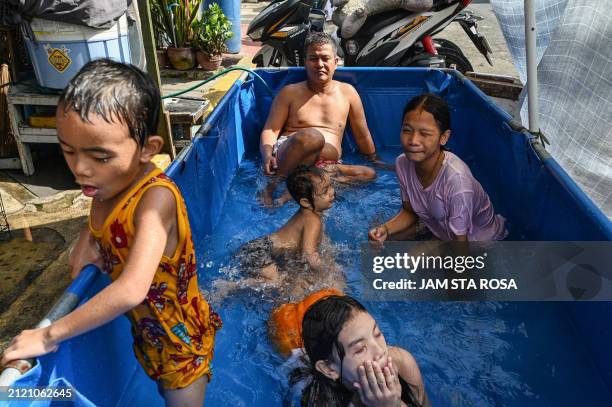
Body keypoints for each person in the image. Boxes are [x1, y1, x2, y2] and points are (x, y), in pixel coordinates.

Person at [0, 60, 221, 406]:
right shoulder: (104, 186)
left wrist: (48, 335)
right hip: (148, 336)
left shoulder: (155, 200)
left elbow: (132, 289)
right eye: (68, 151)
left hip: (181, 343)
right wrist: (87, 240)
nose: (79, 169)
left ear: (147, 149)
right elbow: (102, 226)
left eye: (99, 156)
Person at [259, 32, 383, 205]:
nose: (320, 64)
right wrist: (266, 156)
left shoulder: (348, 93)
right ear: (305, 62)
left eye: (325, 58)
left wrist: (375, 160)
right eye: (313, 59)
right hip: (290, 156)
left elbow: (362, 135)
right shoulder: (290, 92)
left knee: (368, 174)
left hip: (326, 165)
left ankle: (315, 183)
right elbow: (270, 129)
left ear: (336, 62)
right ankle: (270, 189)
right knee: (313, 137)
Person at [369, 93, 507, 243]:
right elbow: (410, 211)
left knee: (409, 262)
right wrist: (385, 229)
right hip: (440, 227)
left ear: (444, 137)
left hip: (476, 241)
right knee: (379, 241)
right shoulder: (403, 163)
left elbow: (461, 247)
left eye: (425, 133)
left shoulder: (457, 180)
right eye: (407, 130)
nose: (413, 141)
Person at [293, 294, 430, 407]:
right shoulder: (319, 402)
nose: (380, 351)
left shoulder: (402, 361)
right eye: (360, 350)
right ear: (329, 369)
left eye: (377, 334)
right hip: (292, 340)